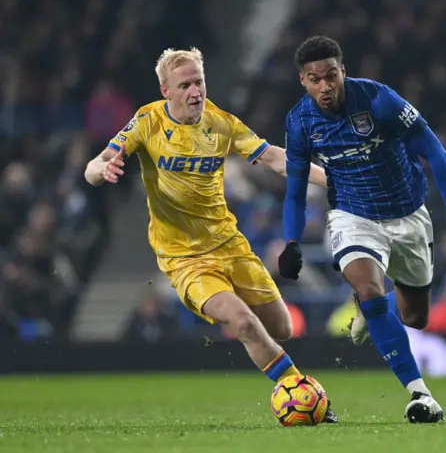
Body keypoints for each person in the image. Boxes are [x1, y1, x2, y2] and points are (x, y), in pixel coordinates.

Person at [84, 47, 338, 423]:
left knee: (281, 327)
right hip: (184, 258)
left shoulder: (221, 123)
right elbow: (95, 164)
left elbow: (277, 159)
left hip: (229, 245)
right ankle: (297, 389)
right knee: (244, 322)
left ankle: (265, 349)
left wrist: (335, 181)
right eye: (184, 85)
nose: (195, 92)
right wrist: (101, 171)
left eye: (199, 82)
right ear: (165, 90)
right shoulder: (147, 122)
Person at [278, 36, 446, 423]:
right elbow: (295, 191)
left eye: (331, 76)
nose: (325, 86)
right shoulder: (299, 123)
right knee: (369, 290)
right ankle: (420, 395)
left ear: (343, 71)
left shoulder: (379, 101)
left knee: (415, 317)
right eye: (316, 79)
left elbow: (435, 151)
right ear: (303, 81)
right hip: (352, 216)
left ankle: (372, 306)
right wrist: (292, 241)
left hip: (409, 215)